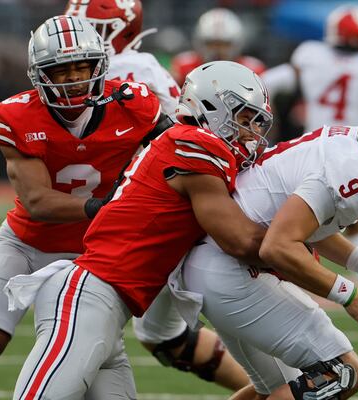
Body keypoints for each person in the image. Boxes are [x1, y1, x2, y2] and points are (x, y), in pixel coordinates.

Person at [6, 60, 273, 399]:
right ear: (213, 108)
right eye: (244, 119)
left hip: (109, 309)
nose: (250, 131)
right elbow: (238, 240)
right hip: (89, 299)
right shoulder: (197, 146)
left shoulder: (188, 142)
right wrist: (298, 252)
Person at [180, 96, 358, 399]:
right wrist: (348, 294)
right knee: (342, 372)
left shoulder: (351, 147)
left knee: (274, 390)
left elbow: (302, 224)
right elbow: (278, 246)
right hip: (230, 270)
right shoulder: (355, 174)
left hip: (212, 264)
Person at [66, 0, 250, 389]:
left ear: (120, 32)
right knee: (157, 334)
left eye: (88, 31)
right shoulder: (120, 69)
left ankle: (286, 384)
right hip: (130, 204)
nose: (74, 42)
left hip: (154, 207)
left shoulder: (131, 72)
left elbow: (182, 135)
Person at [0, 15, 171, 370]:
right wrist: (114, 206)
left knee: (85, 355)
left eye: (82, 68)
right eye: (61, 72)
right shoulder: (16, 116)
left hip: (96, 253)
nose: (73, 79)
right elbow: (38, 202)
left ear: (99, 66)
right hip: (29, 243)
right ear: (40, 75)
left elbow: (175, 155)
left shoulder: (134, 105)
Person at [263, 5, 358, 260]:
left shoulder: (310, 55)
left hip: (309, 144)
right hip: (350, 148)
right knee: (347, 219)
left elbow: (267, 82)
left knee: (294, 213)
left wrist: (266, 125)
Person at [170, 8, 266, 88]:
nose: (218, 50)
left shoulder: (253, 70)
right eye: (212, 44)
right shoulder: (184, 65)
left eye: (224, 44)